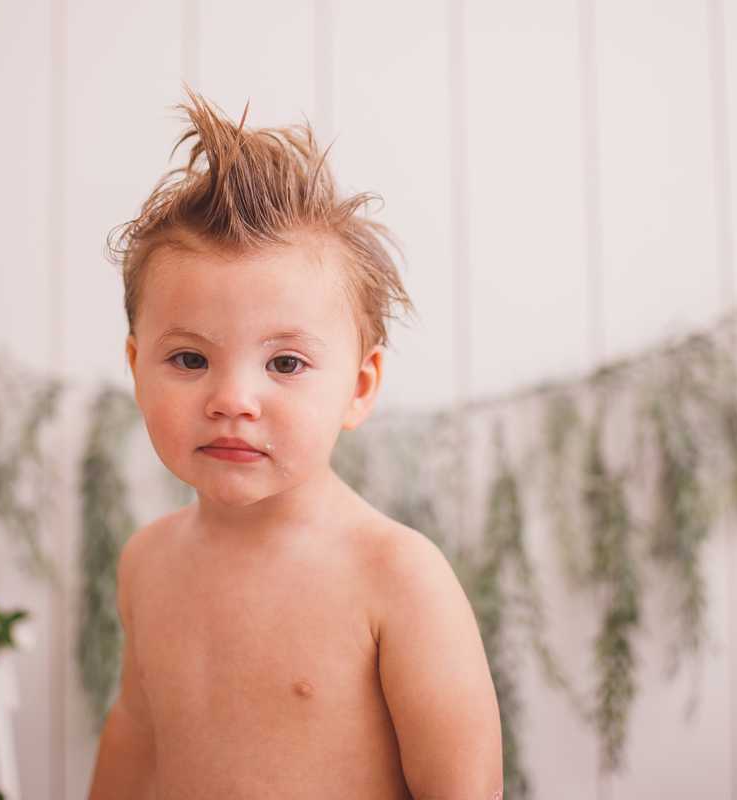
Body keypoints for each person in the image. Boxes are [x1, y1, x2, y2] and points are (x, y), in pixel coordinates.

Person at [87, 91, 502, 800]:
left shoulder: (397, 577)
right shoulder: (147, 561)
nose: (231, 401)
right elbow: (138, 733)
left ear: (359, 387)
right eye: (189, 359)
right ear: (136, 368)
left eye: (285, 364)